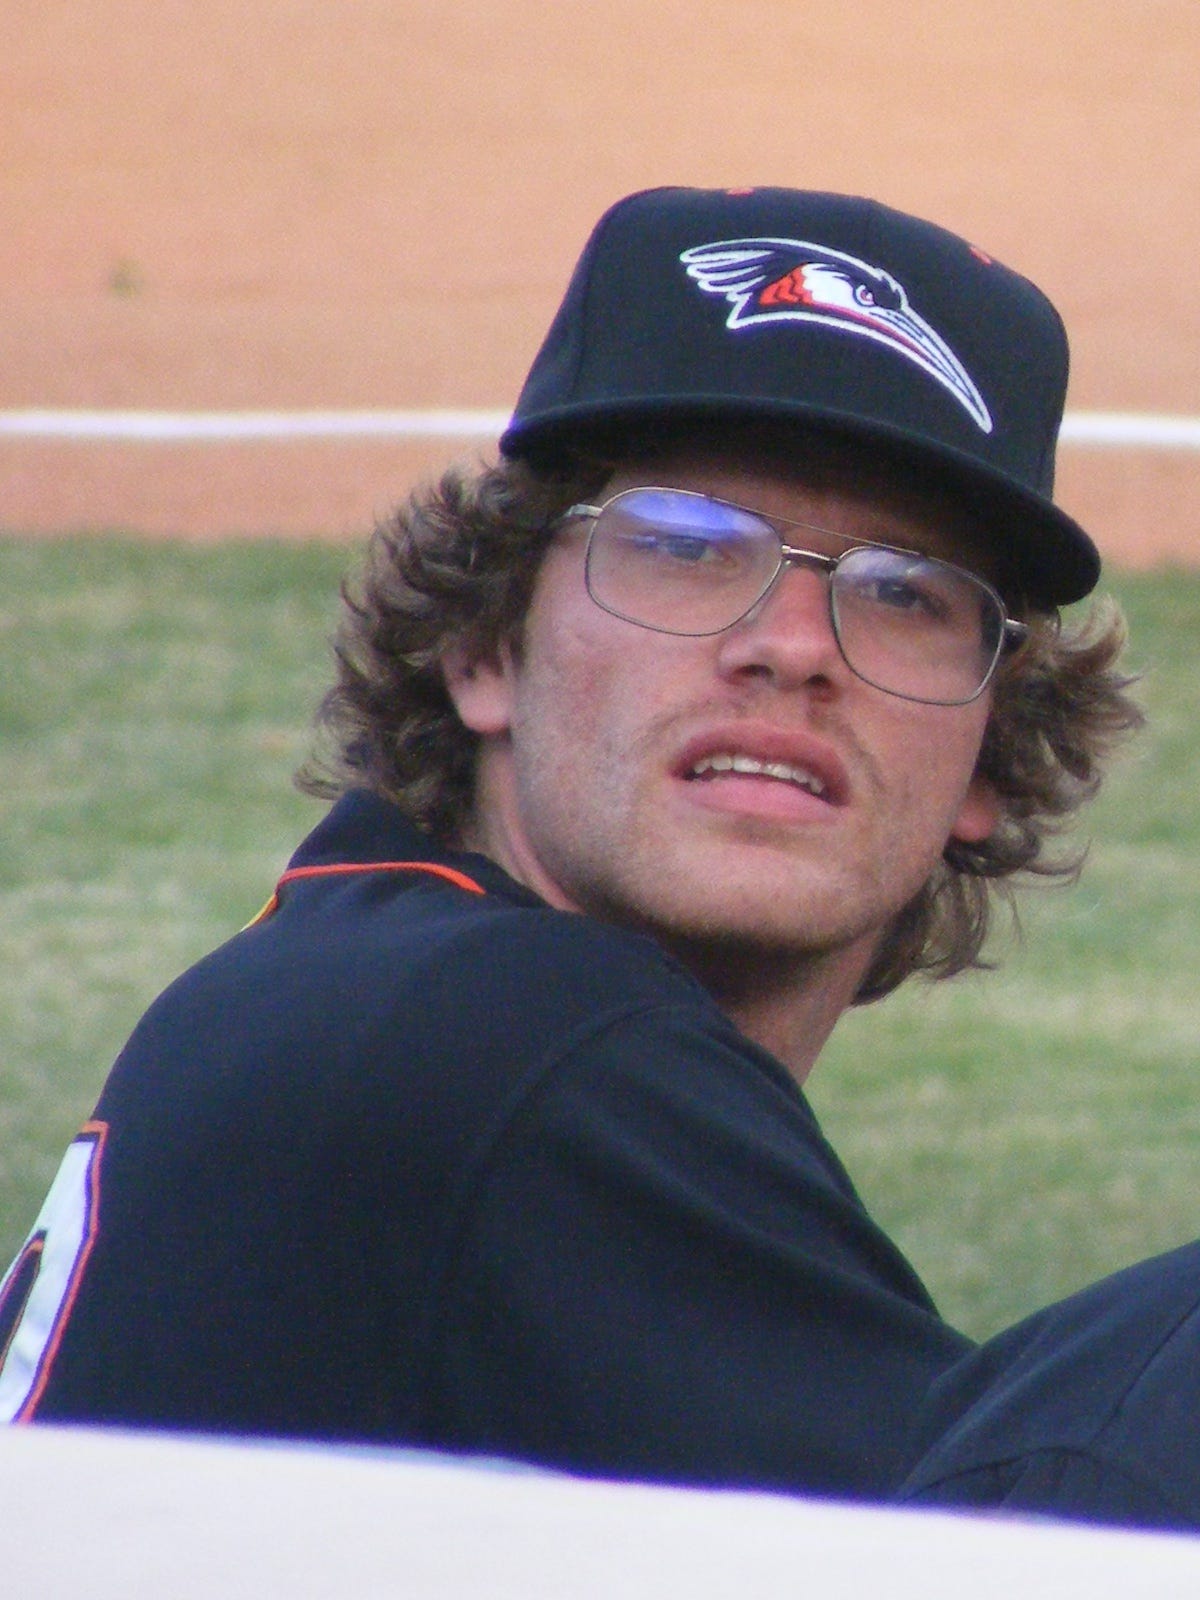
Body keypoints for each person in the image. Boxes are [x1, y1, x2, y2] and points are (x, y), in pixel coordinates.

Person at [1, 185, 1194, 1528]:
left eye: (906, 593)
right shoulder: (506, 1045)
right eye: (687, 547)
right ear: (484, 647)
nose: (794, 643)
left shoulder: (368, 977)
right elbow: (982, 1555)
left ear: (985, 757)